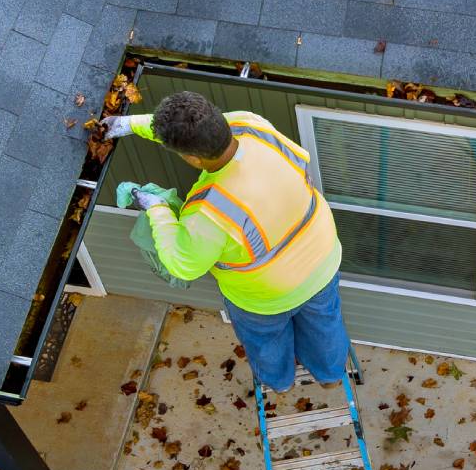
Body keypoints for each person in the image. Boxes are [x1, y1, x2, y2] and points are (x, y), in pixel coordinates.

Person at [103, 91, 347, 392]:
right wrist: (130, 124)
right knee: (325, 326)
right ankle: (331, 376)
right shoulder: (250, 125)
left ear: (192, 158)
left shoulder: (211, 211)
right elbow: (190, 129)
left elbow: (183, 265)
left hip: (265, 297)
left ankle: (281, 383)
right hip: (322, 258)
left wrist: (157, 209)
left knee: (267, 342)